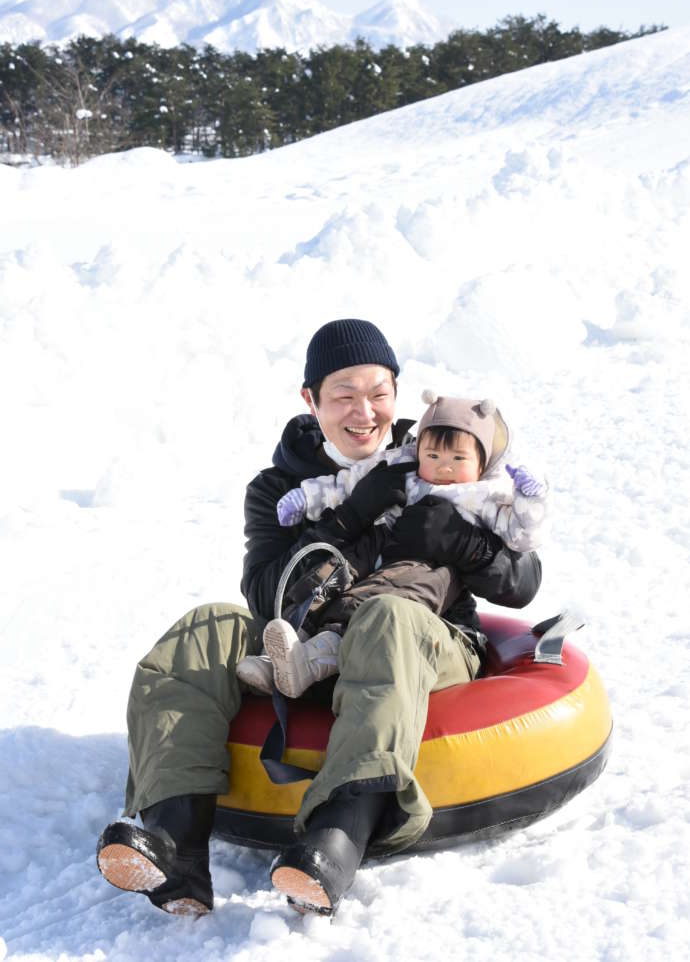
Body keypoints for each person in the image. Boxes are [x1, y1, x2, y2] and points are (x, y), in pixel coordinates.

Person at [95, 318, 542, 918]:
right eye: (344, 395)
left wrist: (462, 543)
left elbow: (524, 579)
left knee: (385, 616)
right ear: (312, 400)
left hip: (421, 641)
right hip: (300, 645)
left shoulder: (437, 450)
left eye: (380, 393)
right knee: (204, 628)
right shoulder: (278, 486)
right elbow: (265, 594)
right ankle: (175, 841)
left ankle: (338, 836)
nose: (366, 412)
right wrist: (346, 523)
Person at [237, 391, 548, 699]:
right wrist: (310, 500)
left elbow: (521, 540)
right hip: (376, 547)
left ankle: (313, 660)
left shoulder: (483, 495)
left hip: (423, 572)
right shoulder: (400, 468)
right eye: (434, 456)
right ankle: (274, 660)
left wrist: (481, 532)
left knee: (381, 604)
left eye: (458, 458)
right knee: (324, 579)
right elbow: (344, 484)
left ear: (482, 463)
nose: (444, 467)